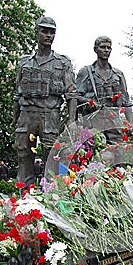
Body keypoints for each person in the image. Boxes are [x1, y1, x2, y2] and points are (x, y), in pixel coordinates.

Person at [13, 16, 78, 186]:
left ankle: (51, 195)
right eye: (44, 31)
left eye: (52, 32)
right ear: (37, 32)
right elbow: (17, 94)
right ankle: (24, 194)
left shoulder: (62, 62)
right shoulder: (24, 63)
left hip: (50, 115)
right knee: (23, 153)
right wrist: (15, 119)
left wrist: (71, 120)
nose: (48, 35)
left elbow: (71, 93)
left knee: (51, 155)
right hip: (26, 114)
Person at [76, 36, 132, 165]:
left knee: (118, 155)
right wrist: (91, 103)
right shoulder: (86, 72)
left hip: (113, 119)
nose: (106, 50)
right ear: (95, 49)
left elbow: (126, 101)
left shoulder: (118, 74)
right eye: (102, 47)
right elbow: (76, 96)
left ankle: (119, 181)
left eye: (108, 48)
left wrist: (129, 123)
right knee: (91, 155)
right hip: (93, 120)